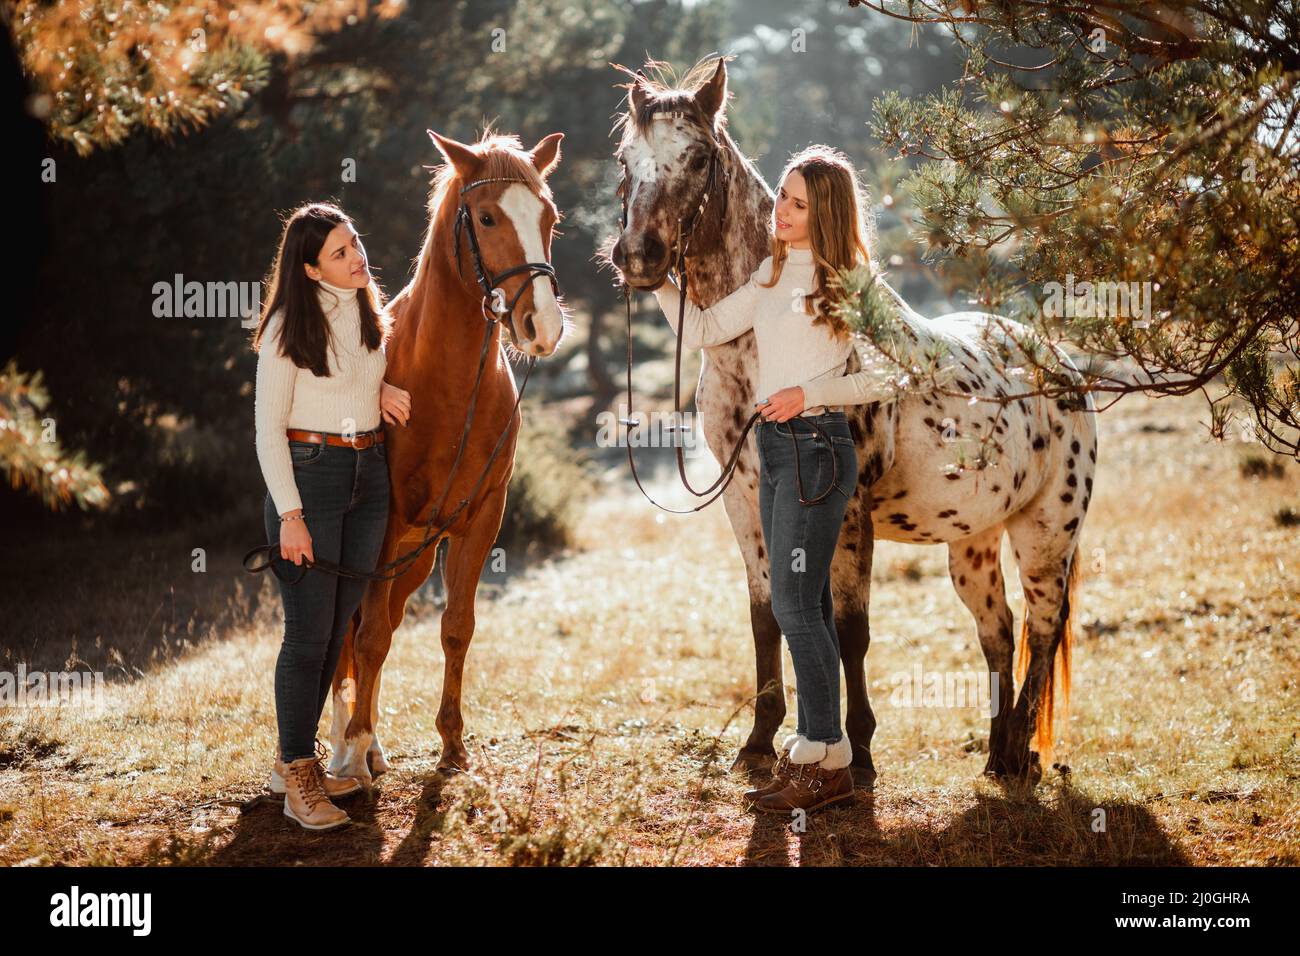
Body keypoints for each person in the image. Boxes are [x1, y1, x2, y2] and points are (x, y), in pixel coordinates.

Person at [653, 145, 883, 816]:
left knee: (790, 604)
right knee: (802, 604)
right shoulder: (770, 274)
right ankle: (827, 756)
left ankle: (821, 752)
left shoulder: (850, 281)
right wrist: (657, 279)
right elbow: (702, 328)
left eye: (797, 203)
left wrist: (810, 394)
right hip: (776, 450)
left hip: (818, 448)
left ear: (828, 213)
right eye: (781, 197)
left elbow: (897, 375)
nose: (779, 211)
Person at [250, 202, 412, 831]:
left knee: (338, 625)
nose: (357, 257)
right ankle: (298, 777)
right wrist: (290, 515)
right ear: (313, 270)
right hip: (309, 480)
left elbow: (343, 380)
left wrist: (379, 392)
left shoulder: (370, 308)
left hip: (368, 477)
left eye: (355, 244)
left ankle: (296, 763)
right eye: (340, 253)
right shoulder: (287, 326)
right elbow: (267, 432)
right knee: (308, 636)